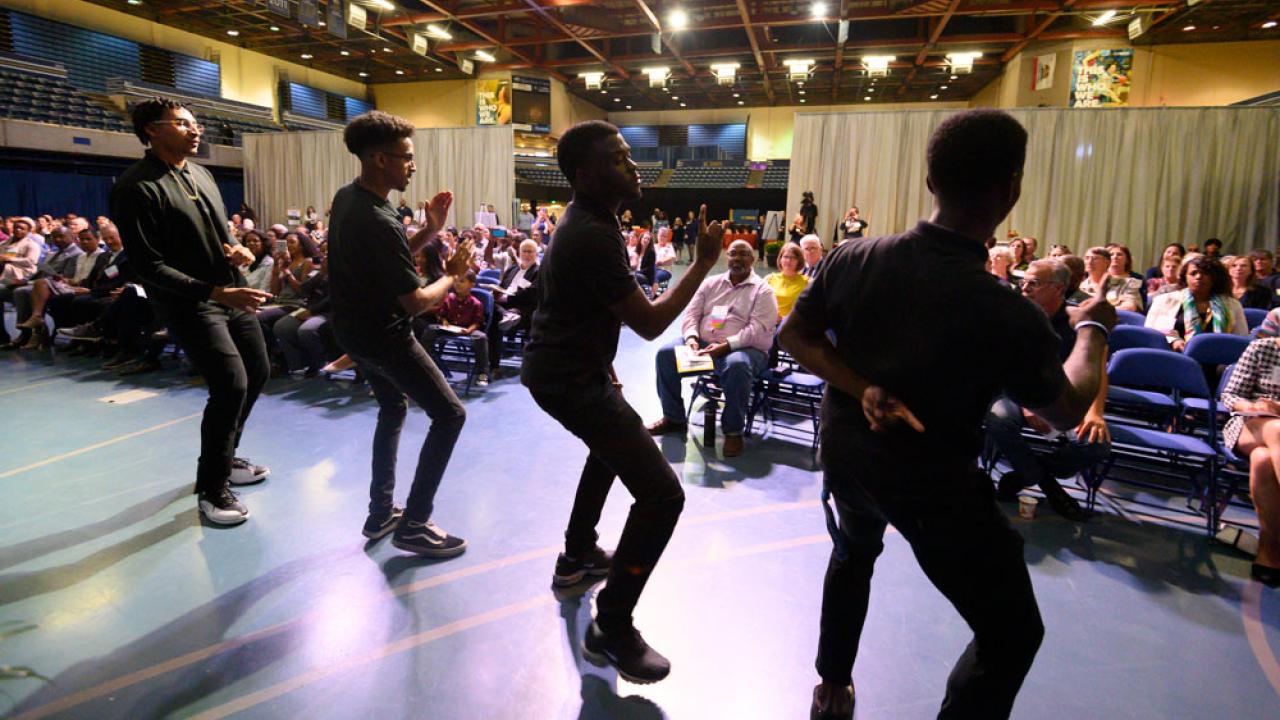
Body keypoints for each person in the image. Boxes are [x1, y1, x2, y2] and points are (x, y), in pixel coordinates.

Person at [779, 110, 1114, 720]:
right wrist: (1091, 329)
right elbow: (1065, 411)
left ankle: (831, 688)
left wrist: (862, 389)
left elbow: (794, 336)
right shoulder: (1005, 311)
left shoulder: (854, 256)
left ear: (930, 180)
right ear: (1011, 188)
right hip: (931, 487)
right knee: (1011, 633)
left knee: (853, 556)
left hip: (849, 458)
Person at [522, 120, 724, 684]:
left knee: (607, 448)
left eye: (630, 157)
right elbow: (651, 322)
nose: (634, 167)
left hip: (570, 369)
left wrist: (595, 356)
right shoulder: (589, 231)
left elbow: (569, 300)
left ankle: (578, 555)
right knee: (661, 496)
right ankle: (611, 624)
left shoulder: (596, 219)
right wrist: (703, 264)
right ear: (586, 176)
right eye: (619, 159)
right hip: (567, 379)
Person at [110, 97, 272, 526]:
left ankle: (228, 457)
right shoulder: (136, 187)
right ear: (152, 131)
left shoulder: (200, 173)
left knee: (257, 372)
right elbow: (148, 266)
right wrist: (214, 291)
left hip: (229, 292)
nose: (195, 129)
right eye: (182, 123)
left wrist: (236, 249)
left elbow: (220, 232)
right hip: (192, 303)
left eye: (195, 123)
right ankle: (212, 488)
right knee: (230, 384)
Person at [327, 110, 474, 556]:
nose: (412, 165)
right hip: (385, 338)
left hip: (353, 335)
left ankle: (379, 514)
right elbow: (415, 300)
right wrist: (452, 274)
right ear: (377, 159)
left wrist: (430, 230)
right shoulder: (379, 217)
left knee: (392, 409)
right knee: (450, 415)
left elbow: (388, 261)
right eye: (405, 157)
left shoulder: (351, 199)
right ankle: (414, 523)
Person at [985, 259, 1110, 521]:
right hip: (1017, 395)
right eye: (1023, 282)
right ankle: (1050, 488)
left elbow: (1098, 370)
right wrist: (1029, 405)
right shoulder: (1014, 317)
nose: (1025, 288)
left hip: (1067, 398)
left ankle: (1024, 475)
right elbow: (1003, 368)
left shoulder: (1081, 320)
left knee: (1096, 445)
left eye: (1035, 283)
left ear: (1058, 288)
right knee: (999, 420)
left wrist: (1095, 414)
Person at [650, 240, 778, 458]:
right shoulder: (711, 283)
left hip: (745, 349)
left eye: (743, 254)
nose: (737, 258)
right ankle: (674, 418)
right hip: (703, 345)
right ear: (726, 257)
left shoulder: (763, 291)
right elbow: (691, 314)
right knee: (665, 355)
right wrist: (691, 339)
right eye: (732, 254)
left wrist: (726, 346)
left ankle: (733, 432)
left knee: (737, 365)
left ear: (753, 258)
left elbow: (756, 330)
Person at [1219, 336, 1280, 587]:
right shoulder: (1262, 348)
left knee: (1263, 460)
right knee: (1278, 430)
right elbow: (1230, 394)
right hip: (1249, 424)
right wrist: (1254, 405)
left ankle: (1269, 552)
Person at [1145, 254, 1248, 351]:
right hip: (1174, 353)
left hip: (1219, 358)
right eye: (1193, 273)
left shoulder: (1232, 305)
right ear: (1185, 276)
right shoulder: (1166, 300)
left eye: (1205, 273)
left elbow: (1240, 339)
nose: (1198, 277)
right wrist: (1174, 340)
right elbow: (1153, 330)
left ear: (1215, 277)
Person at [485, 238, 540, 377]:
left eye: (530, 251)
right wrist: (496, 291)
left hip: (524, 310)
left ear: (536, 253)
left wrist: (508, 297)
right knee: (492, 309)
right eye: (524, 251)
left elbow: (533, 294)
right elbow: (502, 286)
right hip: (504, 306)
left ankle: (494, 365)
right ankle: (505, 315)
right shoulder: (512, 269)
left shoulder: (539, 271)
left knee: (494, 323)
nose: (527, 254)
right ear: (519, 252)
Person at [1079, 246, 1143, 311]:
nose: (1089, 262)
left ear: (1107, 262)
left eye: (1095, 258)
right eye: (1087, 258)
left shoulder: (1129, 283)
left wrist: (1097, 310)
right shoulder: (1079, 286)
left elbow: (1130, 307)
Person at [765, 242, 809, 320]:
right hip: (768, 323)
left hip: (792, 326)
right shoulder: (769, 279)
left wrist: (783, 319)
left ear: (799, 260)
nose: (788, 260)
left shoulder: (807, 282)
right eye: (785, 257)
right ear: (780, 259)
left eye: (793, 257)